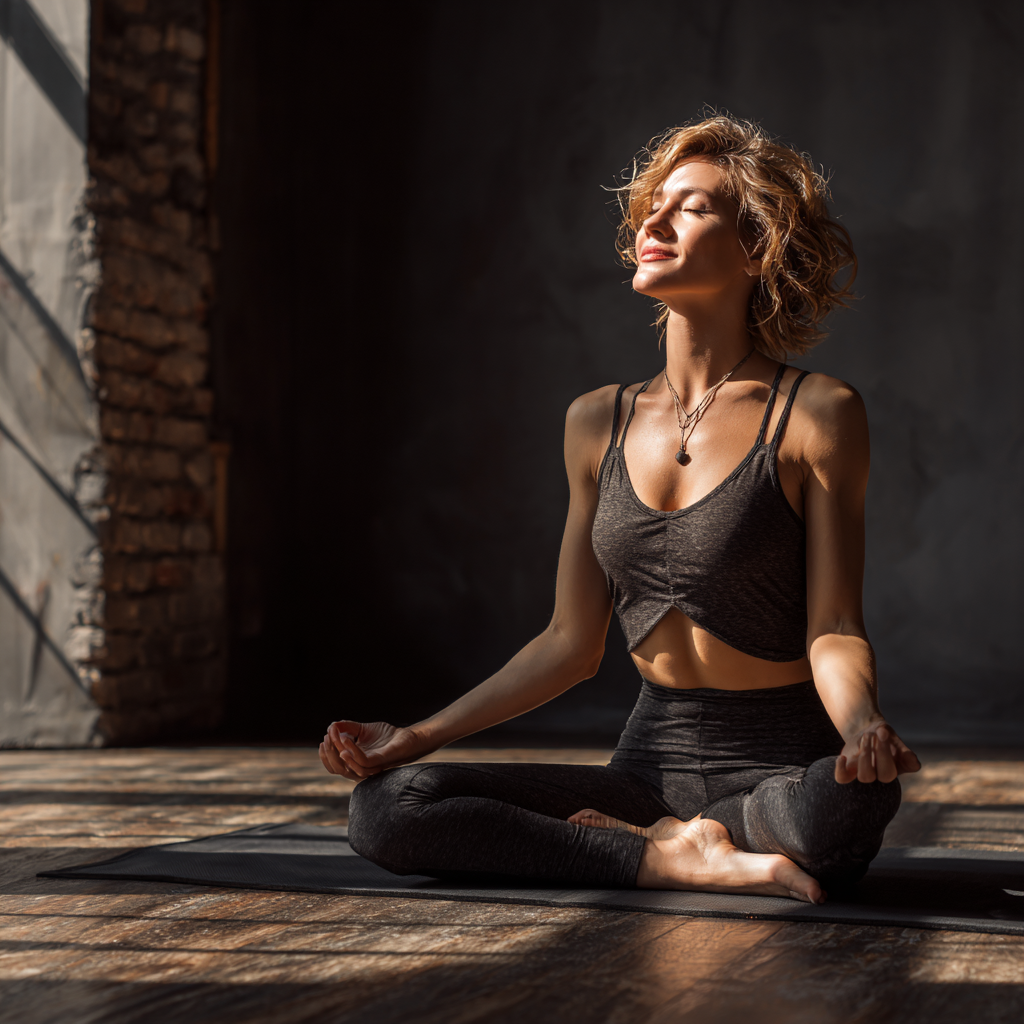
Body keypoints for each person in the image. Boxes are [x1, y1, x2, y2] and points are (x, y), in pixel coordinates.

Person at [319, 115, 920, 903]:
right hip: (645, 769)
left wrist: (862, 727)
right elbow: (569, 643)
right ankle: (661, 856)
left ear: (756, 246)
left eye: (693, 207)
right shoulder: (594, 421)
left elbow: (834, 627)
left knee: (855, 802)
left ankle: (683, 843)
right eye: (653, 204)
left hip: (775, 768)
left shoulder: (818, 413)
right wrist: (414, 738)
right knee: (387, 810)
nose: (654, 221)